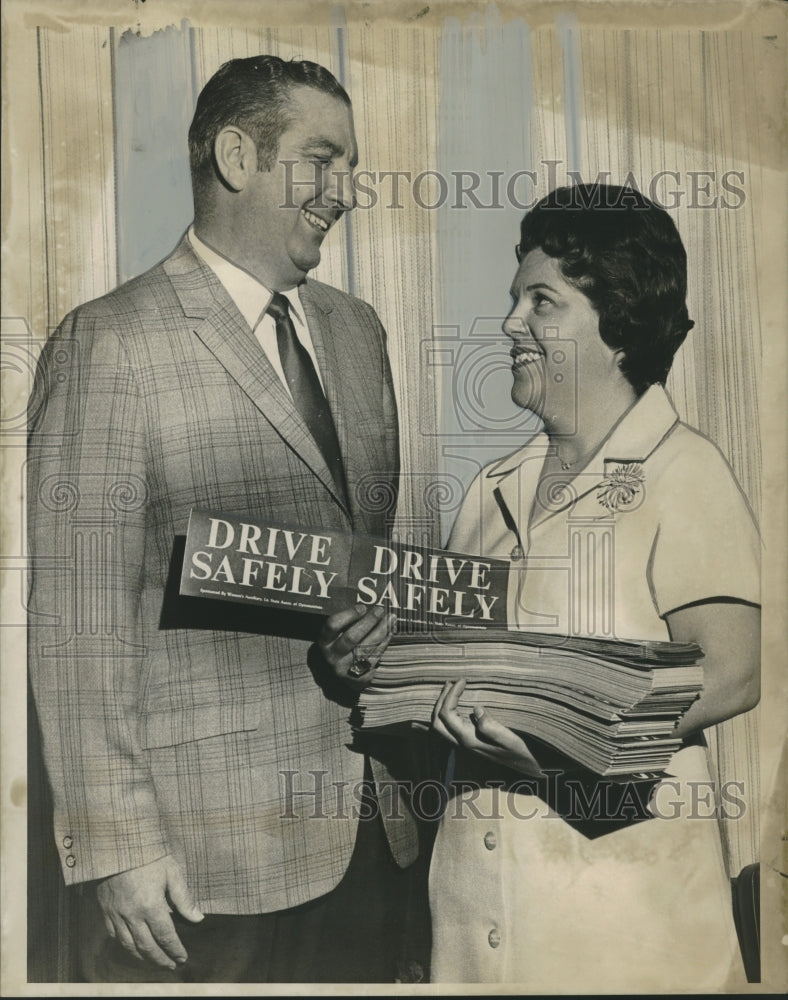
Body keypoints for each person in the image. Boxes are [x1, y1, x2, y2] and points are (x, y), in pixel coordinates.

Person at [27, 55, 425, 984]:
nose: (347, 192)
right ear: (237, 155)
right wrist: (119, 846)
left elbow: (360, 560)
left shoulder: (358, 333)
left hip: (374, 836)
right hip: (201, 873)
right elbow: (77, 620)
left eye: (353, 166)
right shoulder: (110, 342)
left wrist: (378, 627)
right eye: (322, 161)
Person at [427, 185, 761, 989]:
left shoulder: (686, 471)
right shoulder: (490, 489)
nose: (511, 324)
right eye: (516, 300)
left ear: (616, 325)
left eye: (542, 302)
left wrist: (559, 742)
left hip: (626, 927)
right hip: (476, 927)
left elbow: (733, 670)